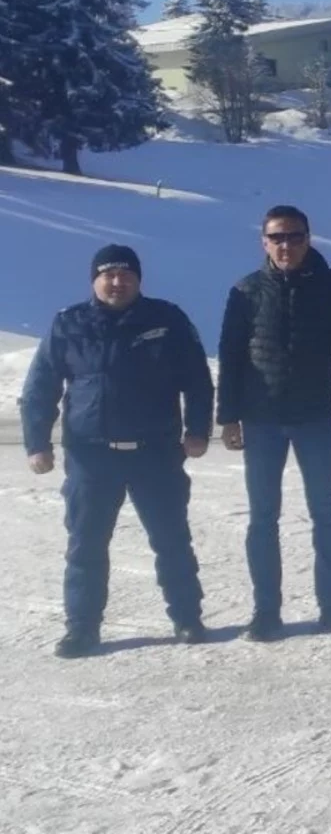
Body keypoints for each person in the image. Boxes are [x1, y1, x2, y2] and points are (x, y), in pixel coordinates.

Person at [20, 246, 212, 658]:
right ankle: (82, 629)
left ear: (139, 280)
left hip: (156, 453)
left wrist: (198, 430)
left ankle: (187, 617)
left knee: (171, 539)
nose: (117, 282)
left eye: (126, 274)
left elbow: (198, 379)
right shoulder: (68, 323)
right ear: (94, 280)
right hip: (92, 456)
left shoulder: (166, 319)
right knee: (86, 544)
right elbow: (40, 387)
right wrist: (37, 443)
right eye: (108, 275)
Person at [217, 205, 331, 641]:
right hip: (261, 419)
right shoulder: (246, 291)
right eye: (278, 237)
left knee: (324, 513)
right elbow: (229, 356)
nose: (287, 245)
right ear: (264, 242)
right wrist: (227, 415)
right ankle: (266, 611)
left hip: (315, 418)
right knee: (263, 518)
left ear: (309, 238)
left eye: (295, 236)